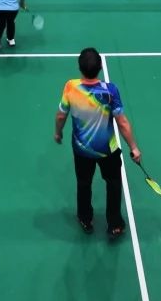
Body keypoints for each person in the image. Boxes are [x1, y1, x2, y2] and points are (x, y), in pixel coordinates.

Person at [54, 47, 141, 237]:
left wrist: (58, 133)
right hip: (107, 150)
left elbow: (61, 116)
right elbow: (122, 122)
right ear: (101, 67)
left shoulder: (71, 87)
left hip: (82, 149)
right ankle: (115, 224)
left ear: (79, 67)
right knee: (113, 183)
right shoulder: (110, 91)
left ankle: (85, 218)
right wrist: (133, 147)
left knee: (83, 183)